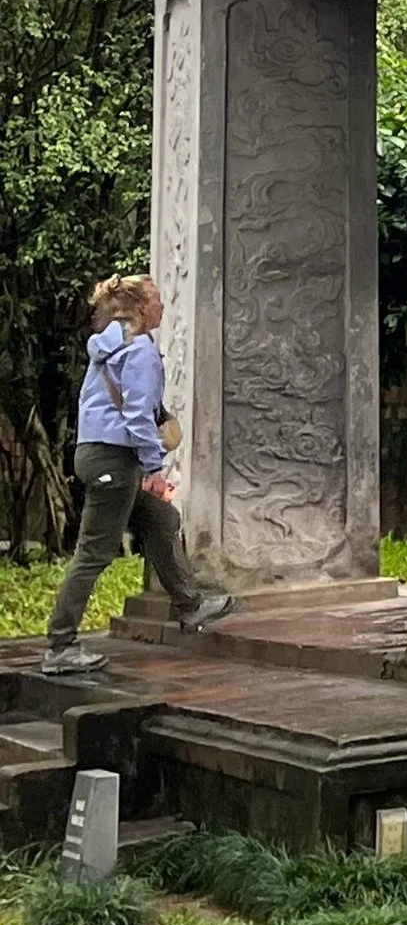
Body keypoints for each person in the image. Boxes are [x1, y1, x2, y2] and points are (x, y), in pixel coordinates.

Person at [44, 273, 231, 675]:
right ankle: (61, 645)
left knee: (162, 518)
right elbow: (135, 415)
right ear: (141, 309)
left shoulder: (109, 346)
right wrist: (153, 468)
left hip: (96, 454)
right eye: (158, 299)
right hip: (115, 459)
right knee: (94, 552)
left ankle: (190, 606)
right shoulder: (140, 350)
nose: (163, 305)